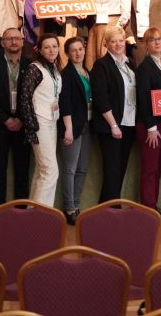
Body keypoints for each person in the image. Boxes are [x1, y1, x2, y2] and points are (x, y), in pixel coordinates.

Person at [0, 27, 32, 206]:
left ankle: (21, 207)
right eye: (9, 38)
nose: (13, 41)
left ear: (22, 42)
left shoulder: (31, 65)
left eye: (17, 38)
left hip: (23, 125)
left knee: (22, 169)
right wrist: (6, 120)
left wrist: (21, 119)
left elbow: (34, 97)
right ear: (2, 42)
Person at [90, 26, 137, 202]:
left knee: (121, 167)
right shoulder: (101, 65)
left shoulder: (129, 63)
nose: (118, 44)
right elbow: (101, 98)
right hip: (111, 125)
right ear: (106, 44)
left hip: (129, 122)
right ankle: (110, 210)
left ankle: (110, 205)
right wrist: (113, 125)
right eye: (113, 41)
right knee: (112, 169)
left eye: (120, 40)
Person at [134, 28, 161, 218]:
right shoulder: (144, 68)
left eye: (159, 39)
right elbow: (143, 99)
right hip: (151, 125)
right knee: (150, 168)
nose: (157, 42)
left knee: (158, 166)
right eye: (152, 40)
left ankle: (153, 205)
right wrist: (151, 127)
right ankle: (148, 209)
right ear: (146, 45)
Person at [19, 33, 62, 206]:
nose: (51, 50)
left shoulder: (54, 69)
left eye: (54, 46)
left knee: (41, 170)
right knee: (50, 171)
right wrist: (31, 127)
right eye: (47, 47)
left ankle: (33, 211)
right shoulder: (34, 69)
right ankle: (43, 214)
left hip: (52, 122)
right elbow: (25, 98)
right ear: (40, 50)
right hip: (39, 122)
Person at [58, 36, 93, 223]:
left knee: (82, 168)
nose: (78, 53)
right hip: (72, 127)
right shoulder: (67, 74)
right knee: (70, 169)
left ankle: (76, 204)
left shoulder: (86, 71)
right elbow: (65, 104)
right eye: (73, 50)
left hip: (87, 125)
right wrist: (68, 129)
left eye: (80, 49)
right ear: (67, 54)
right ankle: (69, 208)